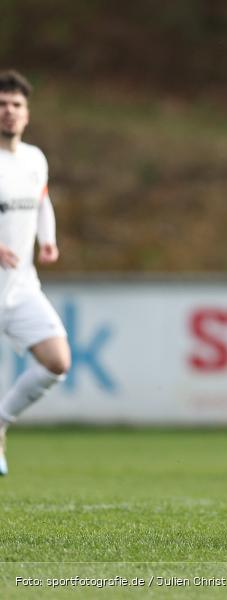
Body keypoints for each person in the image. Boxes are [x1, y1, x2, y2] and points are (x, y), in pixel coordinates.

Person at [0, 70, 71, 476]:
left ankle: (1, 422)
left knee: (57, 361)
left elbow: (42, 201)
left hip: (20, 286)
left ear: (26, 114)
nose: (9, 112)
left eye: (16, 105)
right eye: (2, 106)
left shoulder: (34, 159)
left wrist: (48, 239)